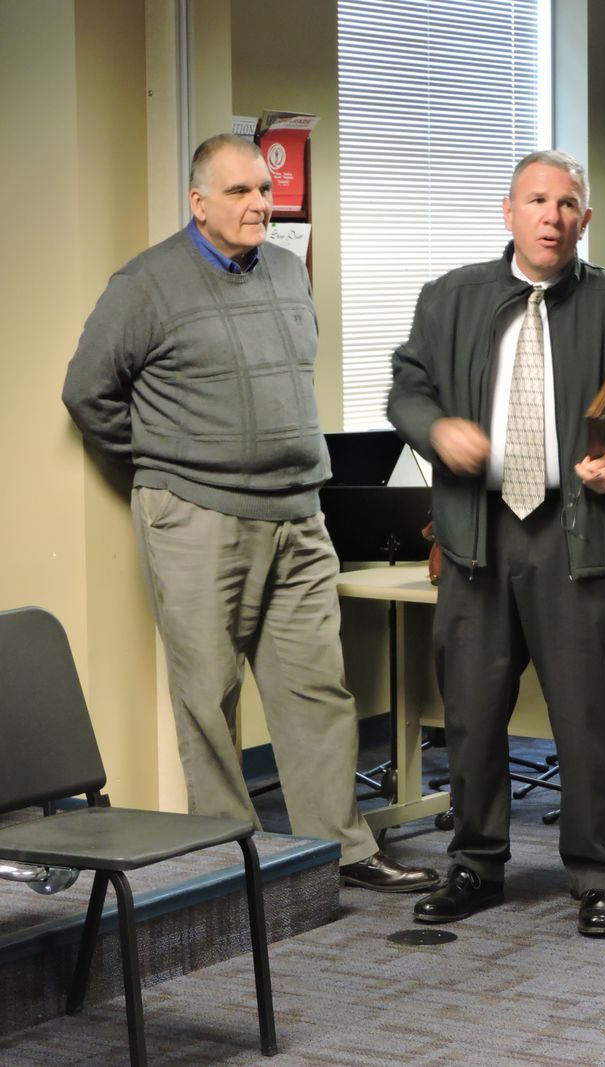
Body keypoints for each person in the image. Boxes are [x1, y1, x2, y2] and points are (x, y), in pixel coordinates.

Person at [62, 133, 438, 894]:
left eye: (263, 191)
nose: (259, 204)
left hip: (299, 513)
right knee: (210, 696)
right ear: (198, 204)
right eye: (238, 192)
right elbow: (87, 393)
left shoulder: (285, 273)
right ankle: (231, 864)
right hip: (197, 516)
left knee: (317, 689)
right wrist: (168, 462)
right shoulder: (145, 285)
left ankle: (340, 850)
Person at [387, 148, 605, 935]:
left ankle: (598, 874)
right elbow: (406, 388)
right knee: (472, 710)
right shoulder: (449, 298)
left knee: (587, 715)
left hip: (577, 535)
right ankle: (476, 862)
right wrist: (436, 427)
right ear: (508, 211)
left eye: (566, 205)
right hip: (476, 537)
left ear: (584, 220)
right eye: (536, 201)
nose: (551, 217)